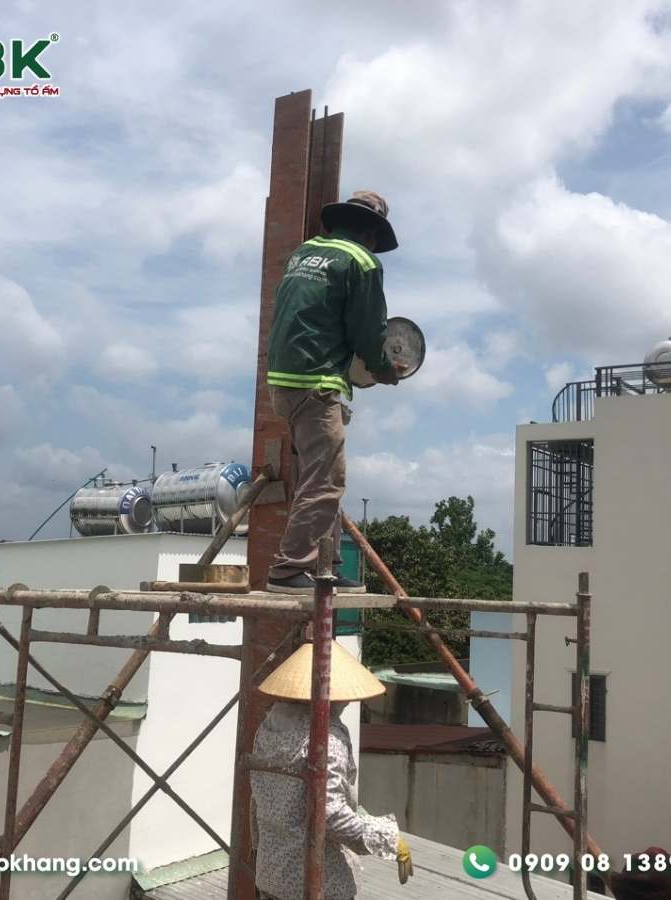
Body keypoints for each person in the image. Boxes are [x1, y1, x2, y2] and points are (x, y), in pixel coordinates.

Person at [265, 191, 404, 594]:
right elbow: (367, 332)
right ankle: (290, 568)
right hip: (317, 383)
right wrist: (384, 370)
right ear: (373, 234)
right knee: (325, 481)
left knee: (321, 475)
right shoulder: (362, 261)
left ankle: (325, 564)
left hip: (283, 381)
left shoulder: (303, 254)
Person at [250, 639, 413, 900]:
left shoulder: (268, 729)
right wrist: (387, 837)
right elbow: (329, 814)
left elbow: (261, 800)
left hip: (271, 874)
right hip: (317, 882)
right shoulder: (326, 739)